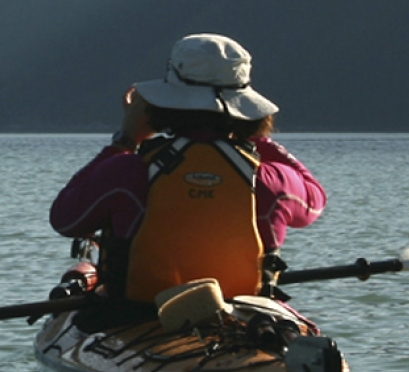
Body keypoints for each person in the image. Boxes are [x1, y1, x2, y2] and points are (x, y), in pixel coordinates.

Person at [50, 34, 325, 320]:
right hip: (244, 316)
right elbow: (315, 200)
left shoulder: (125, 171)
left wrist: (125, 140)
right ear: (246, 105)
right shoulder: (272, 180)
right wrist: (257, 137)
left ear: (160, 105)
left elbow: (66, 219)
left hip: (137, 315)